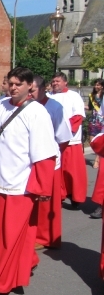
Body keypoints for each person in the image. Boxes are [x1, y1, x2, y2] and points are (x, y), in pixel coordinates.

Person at [0, 67, 57, 295]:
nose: (13, 87)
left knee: (11, 236)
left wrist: (41, 187)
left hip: (19, 185)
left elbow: (44, 154)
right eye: (10, 83)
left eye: (18, 84)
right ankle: (20, 267)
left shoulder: (37, 113)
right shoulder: (2, 105)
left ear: (29, 86)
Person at [30, 75, 72, 249]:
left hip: (49, 162)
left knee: (47, 203)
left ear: (42, 89)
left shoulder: (55, 107)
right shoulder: (27, 106)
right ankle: (32, 233)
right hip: (29, 162)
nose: (29, 94)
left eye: (32, 90)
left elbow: (63, 137)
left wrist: (51, 156)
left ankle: (46, 237)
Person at [49, 72, 87, 208]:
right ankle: (58, 195)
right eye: (53, 81)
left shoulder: (73, 96)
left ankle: (76, 197)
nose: (55, 83)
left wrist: (64, 131)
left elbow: (78, 116)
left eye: (58, 81)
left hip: (71, 141)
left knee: (72, 172)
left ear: (65, 82)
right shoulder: (48, 97)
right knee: (56, 170)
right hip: (53, 141)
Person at [86, 79, 104, 168]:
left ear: (102, 86)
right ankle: (98, 155)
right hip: (93, 120)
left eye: (98, 85)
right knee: (92, 141)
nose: (96, 86)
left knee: (99, 141)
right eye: (95, 85)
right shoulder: (92, 96)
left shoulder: (103, 96)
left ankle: (97, 160)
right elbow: (89, 107)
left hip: (102, 121)